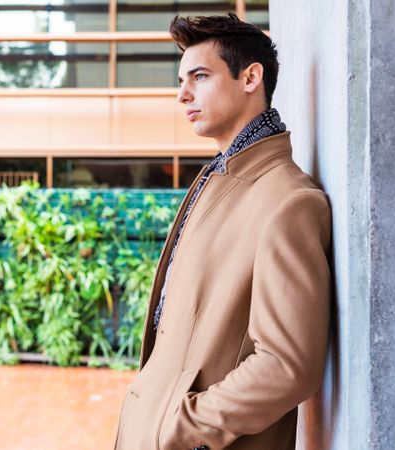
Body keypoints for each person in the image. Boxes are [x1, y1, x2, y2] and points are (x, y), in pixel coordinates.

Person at [113, 13, 332, 450]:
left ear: (251, 77)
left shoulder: (288, 202)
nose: (182, 94)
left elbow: (287, 365)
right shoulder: (219, 178)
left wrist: (178, 428)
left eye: (199, 76)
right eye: (181, 80)